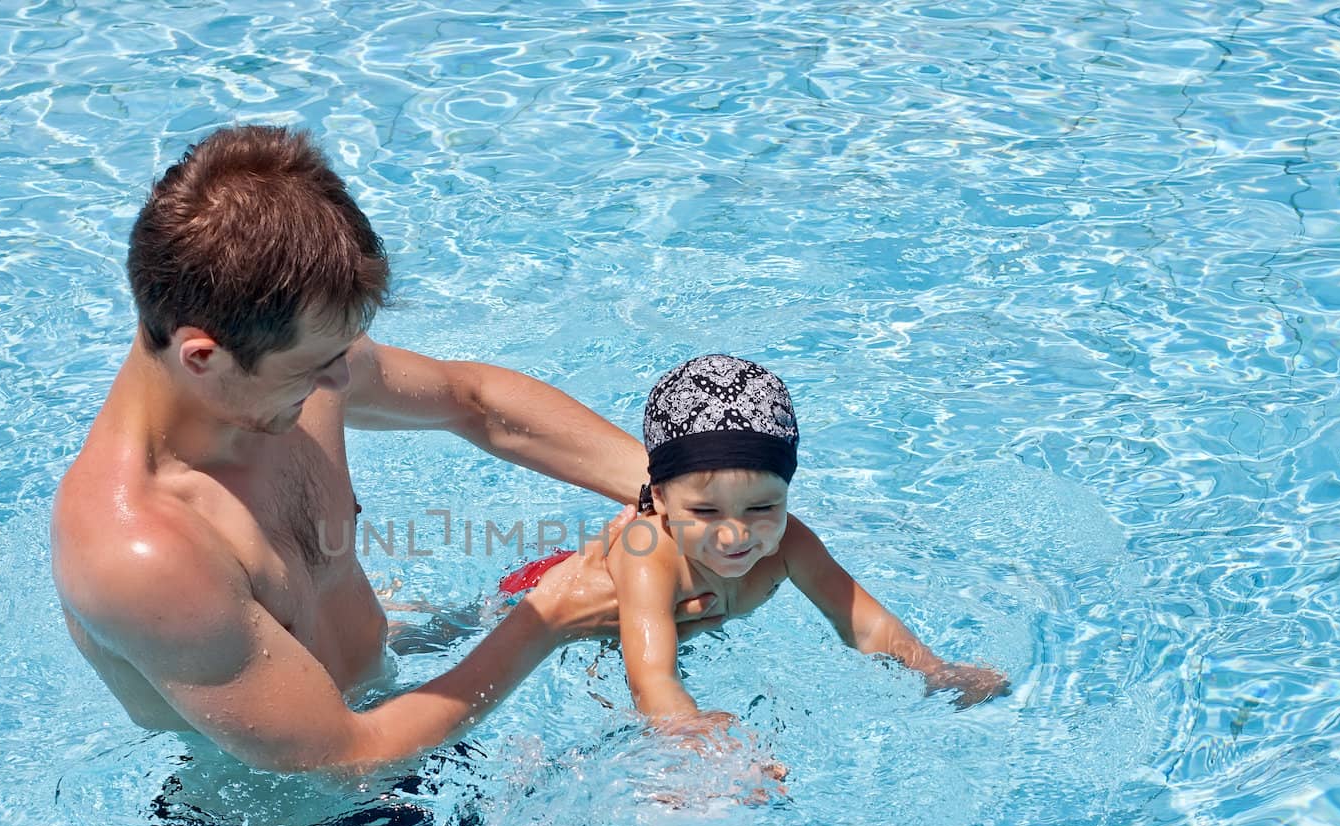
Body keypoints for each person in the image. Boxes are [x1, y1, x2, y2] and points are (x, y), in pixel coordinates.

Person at [51, 124, 714, 777]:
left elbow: (473, 401)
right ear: (204, 356)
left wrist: (680, 495)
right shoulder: (138, 553)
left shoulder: (273, 371)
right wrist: (548, 620)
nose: (341, 382)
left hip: (403, 699)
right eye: (317, 365)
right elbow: (339, 759)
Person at [501, 354, 1009, 741]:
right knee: (467, 627)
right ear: (658, 498)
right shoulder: (645, 550)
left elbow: (863, 620)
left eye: (762, 507)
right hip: (542, 593)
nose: (735, 535)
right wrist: (686, 731)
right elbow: (651, 671)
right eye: (704, 512)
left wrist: (933, 669)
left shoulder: (791, 542)